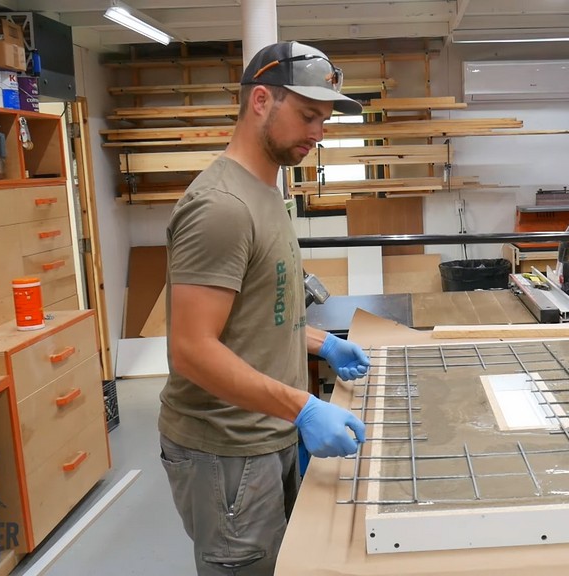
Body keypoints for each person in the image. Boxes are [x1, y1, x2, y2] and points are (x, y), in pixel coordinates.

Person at [157, 41, 370, 575]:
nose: (318, 133)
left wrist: (324, 343)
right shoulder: (222, 208)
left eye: (323, 119)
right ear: (260, 101)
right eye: (307, 115)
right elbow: (191, 350)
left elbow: (255, 318)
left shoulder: (265, 192)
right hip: (226, 450)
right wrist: (302, 407)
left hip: (267, 430)